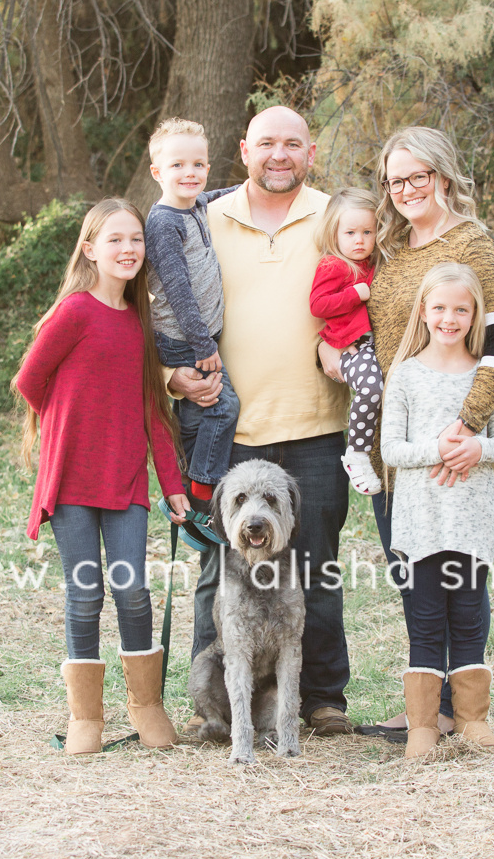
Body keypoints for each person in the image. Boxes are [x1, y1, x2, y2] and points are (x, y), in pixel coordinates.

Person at [318, 125, 494, 735]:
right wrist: (326, 356)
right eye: (394, 180)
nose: (405, 189)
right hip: (396, 445)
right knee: (415, 576)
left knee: (460, 574)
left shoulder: (471, 241)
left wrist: (468, 426)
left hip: (454, 440)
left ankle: (464, 712)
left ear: (443, 175)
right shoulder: (394, 247)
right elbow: (361, 324)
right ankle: (429, 712)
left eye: (417, 176)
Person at [167, 106, 353, 735]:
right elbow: (161, 299)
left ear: (311, 150)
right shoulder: (204, 216)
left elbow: (369, 290)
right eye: (266, 143)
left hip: (316, 425)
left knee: (317, 566)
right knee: (217, 569)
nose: (279, 154)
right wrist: (169, 375)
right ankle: (213, 706)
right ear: (243, 149)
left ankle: (323, 699)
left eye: (292, 144)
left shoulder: (334, 216)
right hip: (227, 432)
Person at [13, 198, 190, 756]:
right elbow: (30, 382)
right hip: (70, 482)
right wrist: (72, 423)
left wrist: (173, 484)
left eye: (136, 239)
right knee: (85, 593)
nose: (128, 249)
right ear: (90, 249)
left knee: (133, 591)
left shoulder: (140, 322)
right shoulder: (73, 313)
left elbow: (150, 413)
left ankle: (146, 707)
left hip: (125, 484)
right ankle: (86, 716)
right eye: (115, 239)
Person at [380, 263, 494, 758]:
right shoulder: (407, 374)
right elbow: (391, 449)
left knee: (468, 618)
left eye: (462, 309)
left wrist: (478, 449)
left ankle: (471, 718)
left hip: (472, 522)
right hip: (421, 524)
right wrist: (438, 448)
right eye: (440, 308)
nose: (450, 318)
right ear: (423, 311)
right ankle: (422, 725)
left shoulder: (487, 375)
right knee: (425, 618)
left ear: (476, 313)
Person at [144, 117, 240, 516]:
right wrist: (203, 345)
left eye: (198, 164)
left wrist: (251, 185)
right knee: (222, 406)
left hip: (197, 337)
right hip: (183, 338)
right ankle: (202, 485)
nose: (190, 173)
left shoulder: (196, 204)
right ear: (157, 172)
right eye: (178, 165)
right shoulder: (165, 223)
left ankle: (184, 485)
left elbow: (220, 194)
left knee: (197, 411)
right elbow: (180, 293)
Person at [310, 187, 383, 496]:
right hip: (349, 347)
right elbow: (318, 305)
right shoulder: (334, 265)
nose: (359, 240)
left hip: (372, 345)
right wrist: (355, 294)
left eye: (367, 232)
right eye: (350, 232)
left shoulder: (373, 263)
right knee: (370, 388)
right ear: (334, 234)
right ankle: (357, 454)